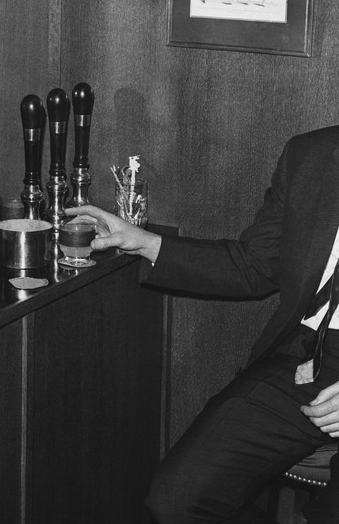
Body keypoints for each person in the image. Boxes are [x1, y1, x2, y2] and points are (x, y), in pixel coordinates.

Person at [66, 125, 339, 524]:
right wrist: (145, 242)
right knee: (177, 498)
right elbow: (254, 265)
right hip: (308, 357)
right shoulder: (312, 154)